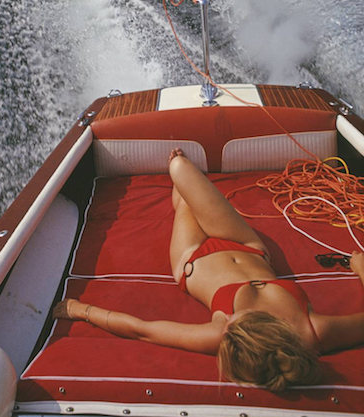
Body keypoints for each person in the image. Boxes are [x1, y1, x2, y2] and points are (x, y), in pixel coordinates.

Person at [54, 148, 364, 393]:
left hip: (193, 258)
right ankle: (185, 181)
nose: (229, 323)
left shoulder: (221, 334)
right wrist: (361, 267)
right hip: (246, 245)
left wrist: (80, 310)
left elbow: (142, 330)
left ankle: (182, 190)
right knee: (181, 168)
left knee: (180, 175)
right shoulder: (314, 332)